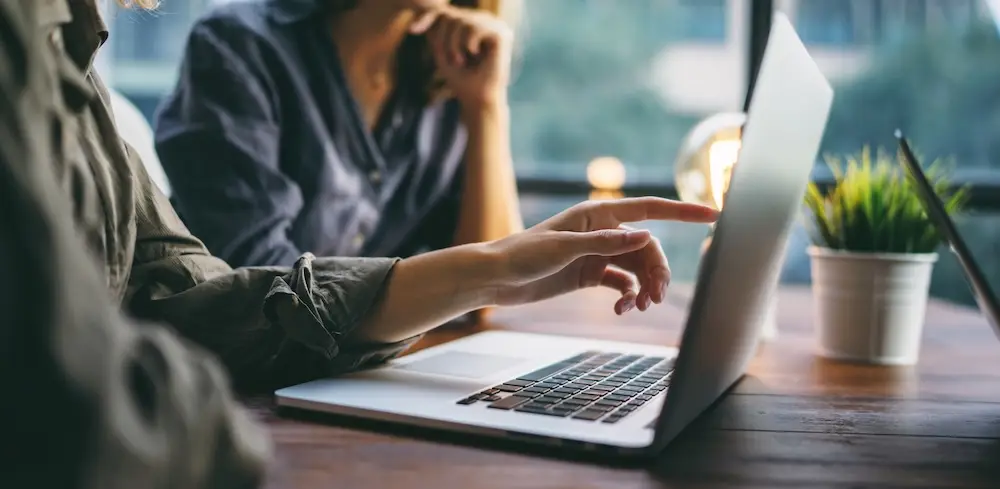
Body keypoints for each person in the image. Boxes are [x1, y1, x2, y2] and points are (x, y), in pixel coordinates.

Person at [1, 0, 717, 486]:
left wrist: (486, 115)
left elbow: (199, 298)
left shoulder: (442, 71)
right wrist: (484, 270)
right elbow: (246, 288)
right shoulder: (235, 45)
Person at [154, 0, 524, 268]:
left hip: (367, 350)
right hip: (229, 352)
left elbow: (494, 283)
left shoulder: (452, 67)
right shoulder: (238, 44)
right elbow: (257, 281)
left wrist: (485, 105)